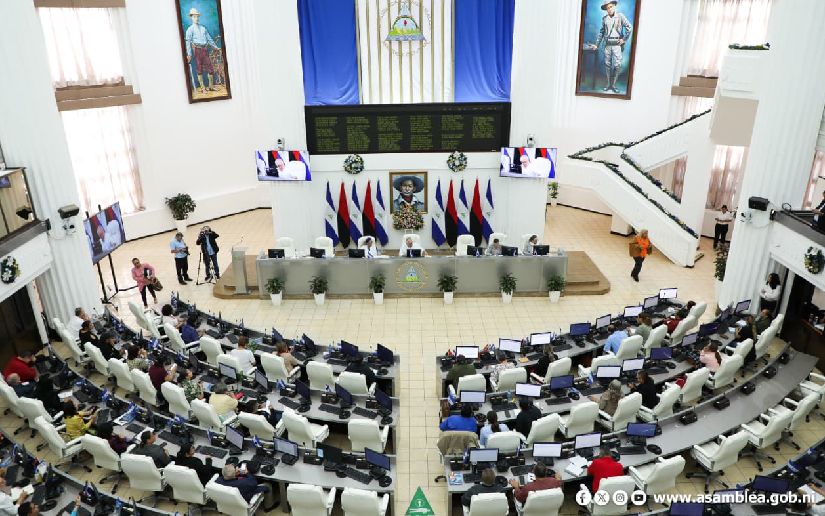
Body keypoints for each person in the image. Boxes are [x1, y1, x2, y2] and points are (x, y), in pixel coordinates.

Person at [586, 0, 633, 93]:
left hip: (617, 44)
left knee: (617, 65)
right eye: (607, 8)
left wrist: (624, 39)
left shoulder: (620, 16)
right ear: (606, 9)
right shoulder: (604, 19)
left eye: (611, 7)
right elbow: (601, 32)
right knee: (607, 65)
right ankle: (608, 84)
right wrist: (597, 44)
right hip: (607, 44)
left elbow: (629, 27)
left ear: (614, 6)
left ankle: (613, 85)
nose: (609, 9)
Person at [184, 8, 221, 94]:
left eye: (197, 16)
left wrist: (215, 47)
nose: (196, 18)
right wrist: (189, 54)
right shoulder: (190, 29)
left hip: (205, 50)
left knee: (210, 68)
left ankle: (211, 87)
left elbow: (209, 39)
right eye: (194, 17)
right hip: (197, 51)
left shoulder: (203, 28)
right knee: (199, 68)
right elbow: (188, 42)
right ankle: (203, 88)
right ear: (191, 17)